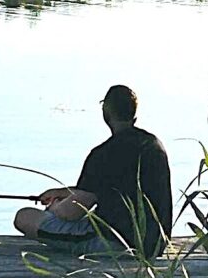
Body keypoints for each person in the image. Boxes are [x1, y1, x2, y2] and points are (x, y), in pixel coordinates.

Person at [14, 85, 172, 258]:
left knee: (25, 217)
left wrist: (54, 208)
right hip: (154, 244)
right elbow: (106, 189)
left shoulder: (103, 154)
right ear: (133, 114)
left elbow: (71, 213)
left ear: (106, 113)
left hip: (114, 242)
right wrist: (61, 192)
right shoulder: (153, 145)